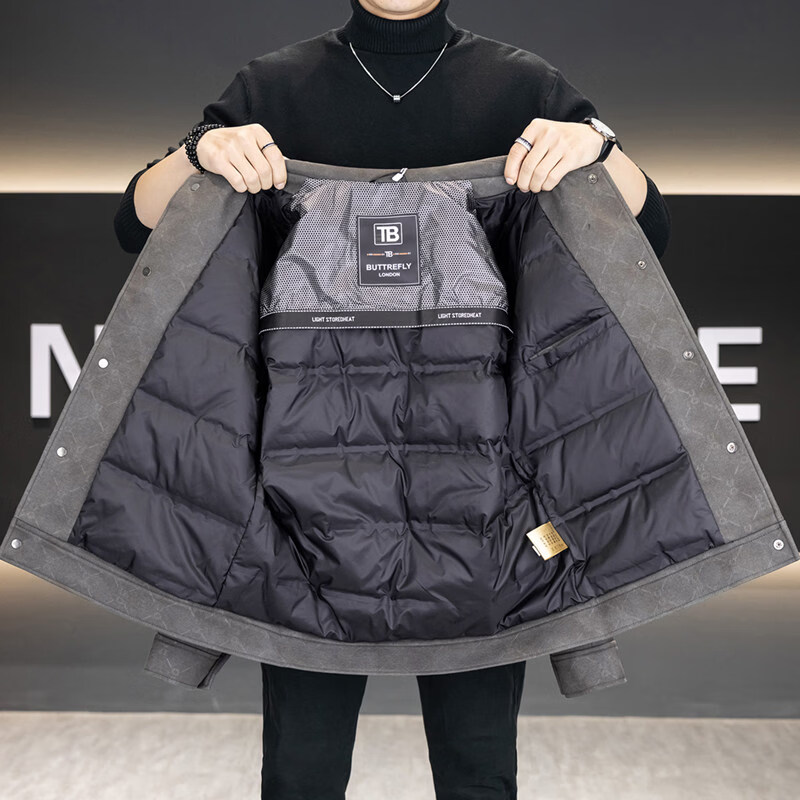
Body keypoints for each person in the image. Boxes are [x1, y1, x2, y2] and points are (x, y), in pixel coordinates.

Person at [114, 2, 672, 797]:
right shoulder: (275, 86)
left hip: (478, 488)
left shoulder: (521, 86)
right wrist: (201, 150)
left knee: (479, 771)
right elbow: (136, 223)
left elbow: (647, 230)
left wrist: (597, 144)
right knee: (301, 775)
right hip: (308, 498)